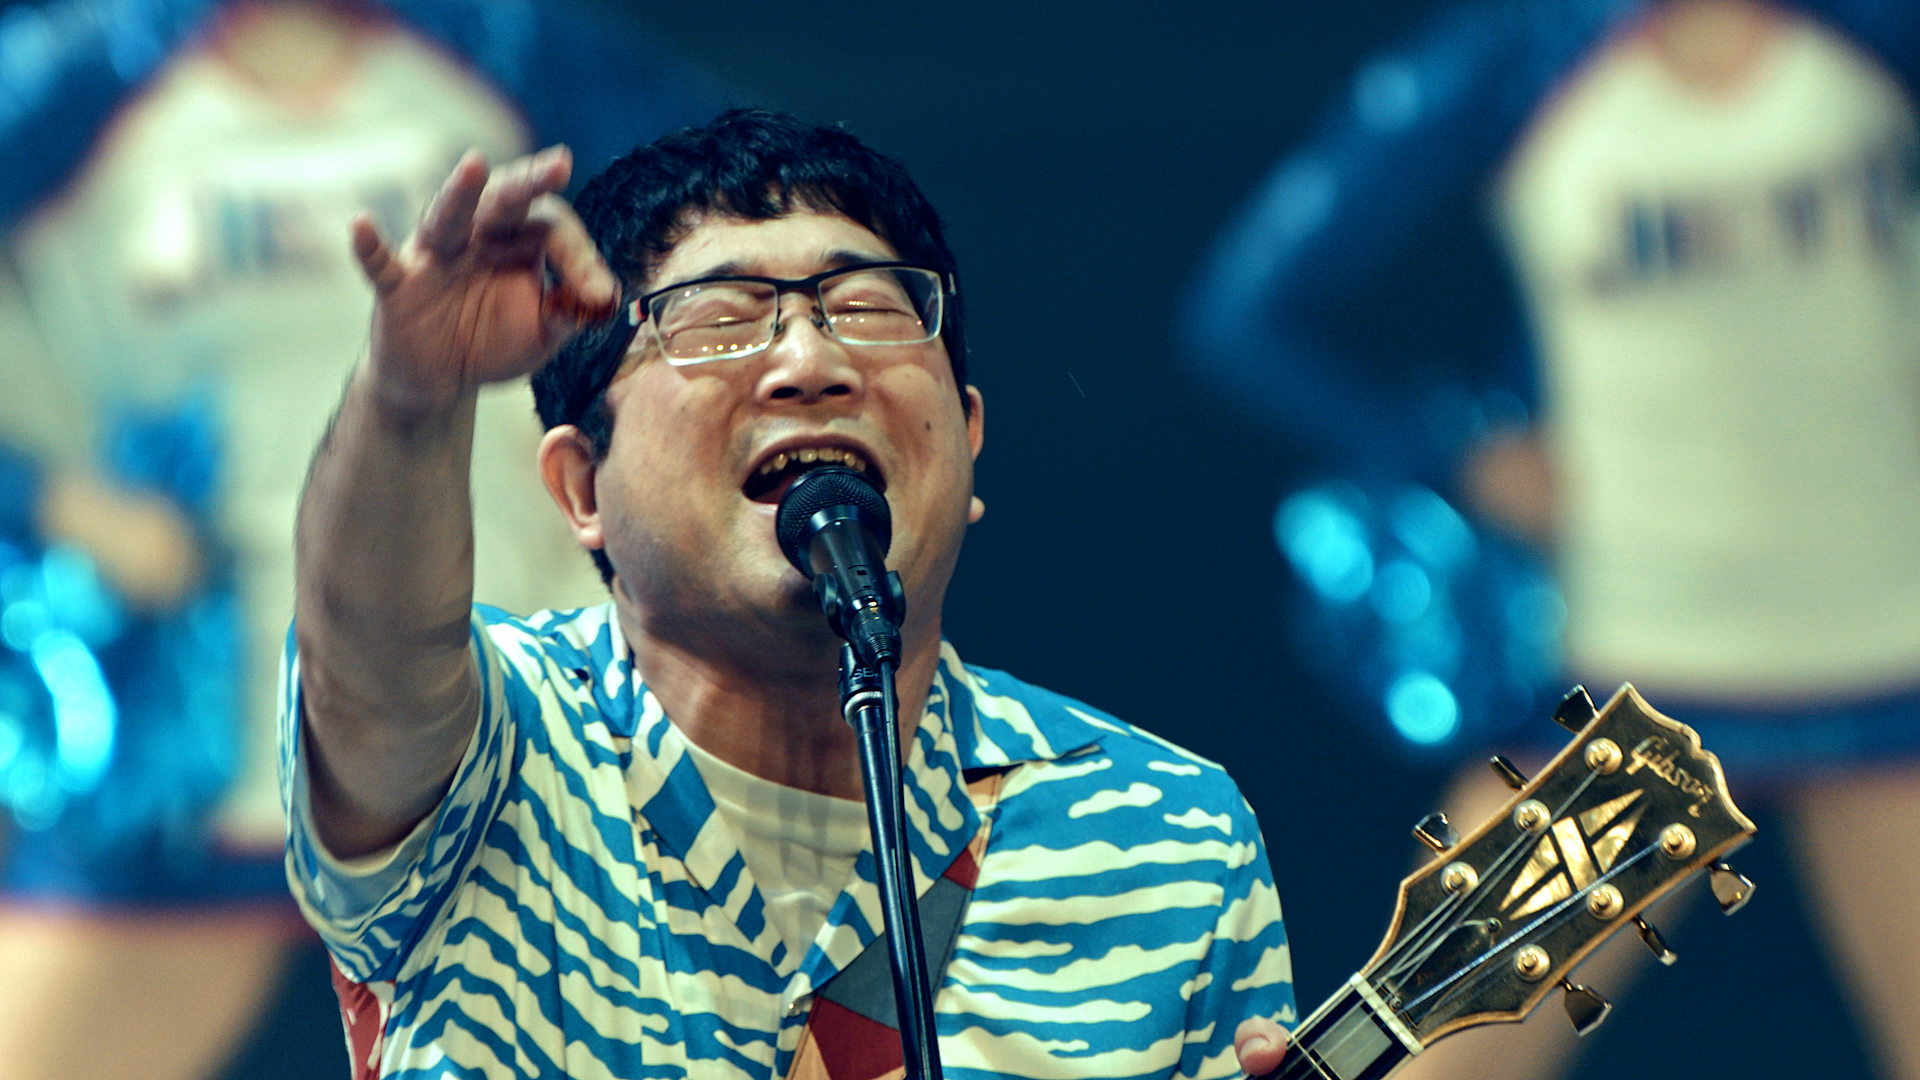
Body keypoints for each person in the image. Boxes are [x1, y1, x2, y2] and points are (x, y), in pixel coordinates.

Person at [283, 109, 1297, 1078]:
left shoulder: (1170, 838)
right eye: (719, 320)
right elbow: (367, 670)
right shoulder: (498, 747)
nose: (811, 363)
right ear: (582, 489)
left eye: (868, 310)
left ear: (970, 439)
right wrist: (410, 398)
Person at [1184, 1, 1920, 1079]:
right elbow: (1247, 313)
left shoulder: (1871, 28)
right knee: (1393, 1054)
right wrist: (1457, 453)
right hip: (1644, 676)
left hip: (1889, 664)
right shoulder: (1523, 54)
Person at [0, 2, 718, 1077]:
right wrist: (60, 502)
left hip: (503, 723)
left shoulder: (508, 48)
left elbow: (739, 225)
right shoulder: (75, 81)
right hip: (191, 747)